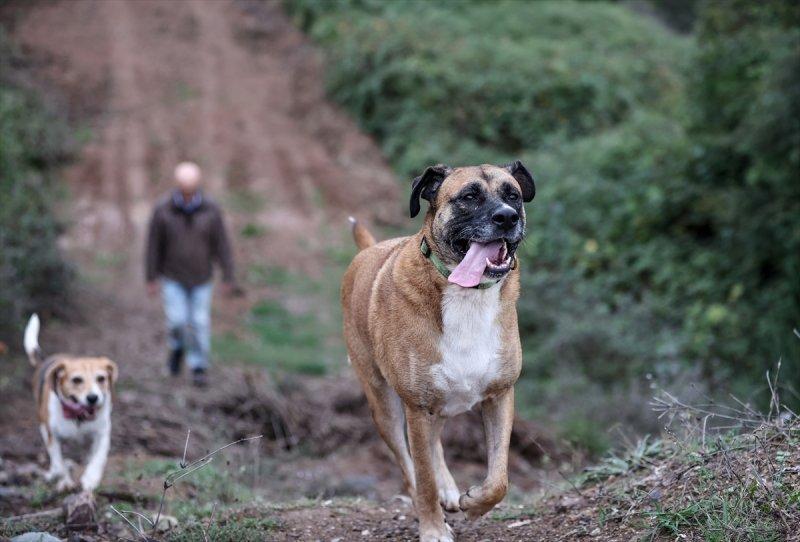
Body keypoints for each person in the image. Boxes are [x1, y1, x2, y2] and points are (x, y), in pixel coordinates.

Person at [145, 162, 235, 387]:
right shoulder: (163, 209)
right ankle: (176, 349)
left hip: (202, 277)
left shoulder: (211, 209)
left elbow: (222, 244)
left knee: (199, 322)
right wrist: (151, 276)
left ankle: (198, 366)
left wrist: (228, 275)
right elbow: (153, 245)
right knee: (177, 321)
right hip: (173, 277)